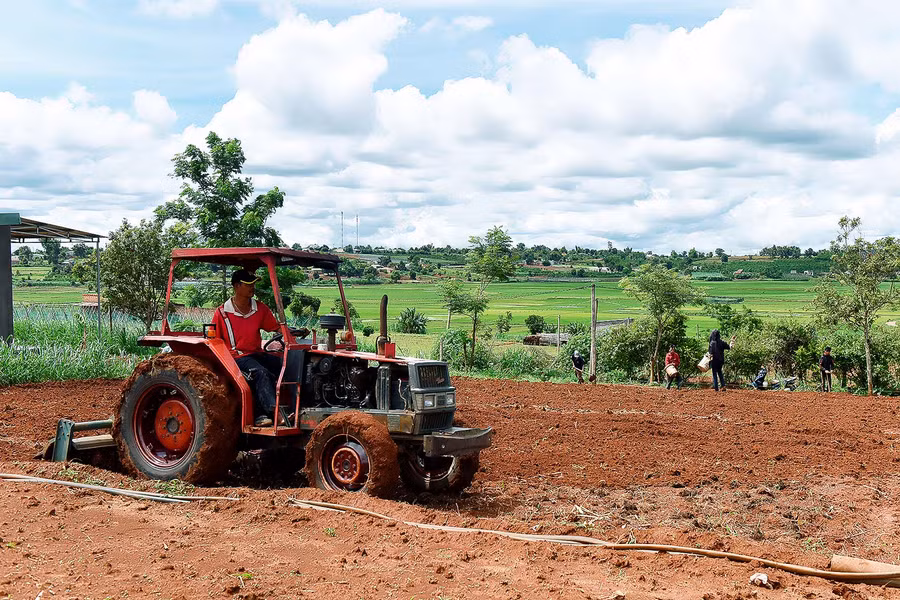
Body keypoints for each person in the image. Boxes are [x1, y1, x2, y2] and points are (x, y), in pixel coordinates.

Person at [212, 269, 281, 427]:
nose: (253, 287)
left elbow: (275, 327)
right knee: (261, 372)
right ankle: (274, 414)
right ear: (237, 286)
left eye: (254, 284)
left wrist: (290, 331)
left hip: (256, 353)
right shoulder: (222, 313)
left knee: (287, 364)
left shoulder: (260, 309)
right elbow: (214, 341)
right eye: (248, 284)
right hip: (236, 357)